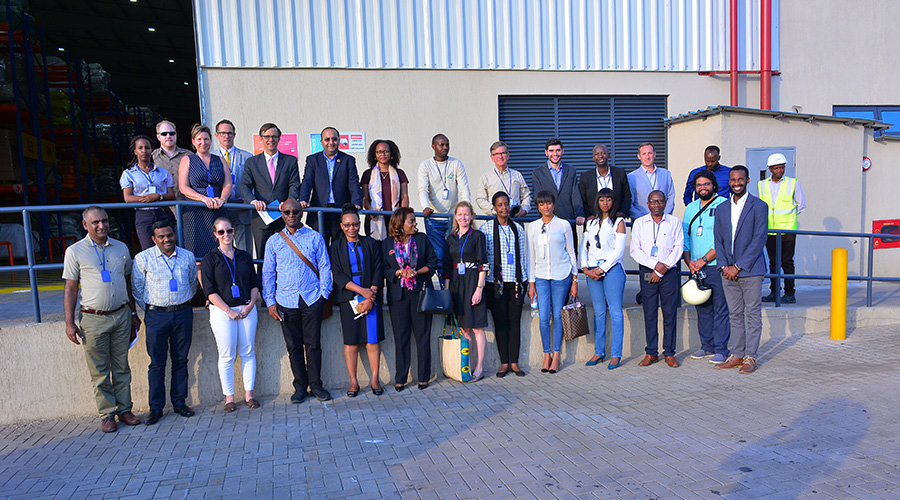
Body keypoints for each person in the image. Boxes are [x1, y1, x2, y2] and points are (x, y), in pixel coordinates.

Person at [63, 206, 142, 433]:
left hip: (121, 315)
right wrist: (69, 323)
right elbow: (70, 289)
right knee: (99, 371)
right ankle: (107, 414)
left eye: (105, 221)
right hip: (92, 319)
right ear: (85, 225)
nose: (102, 226)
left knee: (121, 367)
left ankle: (125, 410)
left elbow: (127, 282)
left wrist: (133, 313)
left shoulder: (121, 247)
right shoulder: (75, 251)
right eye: (96, 222)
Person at [263, 199, 333, 403]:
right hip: (285, 300)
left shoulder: (315, 237)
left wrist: (324, 294)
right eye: (287, 212)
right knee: (293, 347)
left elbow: (325, 266)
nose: (291, 215)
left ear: (301, 213)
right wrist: (270, 301)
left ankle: (317, 385)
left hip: (312, 299)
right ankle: (300, 387)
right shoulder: (274, 241)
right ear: (282, 214)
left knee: (313, 345)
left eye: (295, 211)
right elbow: (268, 273)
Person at [133, 220, 199, 424]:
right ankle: (155, 408)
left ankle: (179, 402)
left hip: (182, 313)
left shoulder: (187, 256)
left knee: (181, 360)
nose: (166, 239)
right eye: (161, 236)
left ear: (174, 235)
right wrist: (154, 310)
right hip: (156, 316)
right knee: (157, 364)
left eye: (169, 235)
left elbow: (192, 283)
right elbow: (138, 289)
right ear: (154, 239)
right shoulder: (143, 259)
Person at [201, 217, 261, 412]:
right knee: (226, 356)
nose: (226, 235)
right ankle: (229, 398)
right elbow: (209, 290)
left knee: (248, 352)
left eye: (229, 231)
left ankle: (249, 395)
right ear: (215, 235)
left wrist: (251, 305)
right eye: (221, 232)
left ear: (234, 231)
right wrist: (228, 311)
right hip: (222, 312)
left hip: (246, 309)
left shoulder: (243, 256)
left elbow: (254, 283)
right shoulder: (210, 258)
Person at [714, 165, 769, 374]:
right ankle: (737, 354)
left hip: (751, 270)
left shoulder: (759, 206)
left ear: (747, 180)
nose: (737, 183)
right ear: (729, 181)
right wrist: (724, 266)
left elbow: (758, 240)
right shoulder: (721, 208)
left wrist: (738, 267)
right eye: (733, 180)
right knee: (734, 314)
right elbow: (718, 240)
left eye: (740, 179)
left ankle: (750, 357)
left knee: (752, 314)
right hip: (727, 271)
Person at [330, 205, 385, 397]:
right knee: (352, 342)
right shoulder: (335, 247)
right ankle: (353, 382)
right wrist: (362, 291)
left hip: (372, 296)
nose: (352, 228)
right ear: (341, 226)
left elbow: (378, 269)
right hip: (349, 298)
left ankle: (375, 379)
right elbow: (337, 275)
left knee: (372, 340)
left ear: (359, 224)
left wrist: (372, 295)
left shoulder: (370, 243)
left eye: (355, 224)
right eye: (347, 225)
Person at [382, 207, 438, 391]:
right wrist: (399, 272)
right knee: (401, 337)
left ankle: (423, 376)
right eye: (411, 221)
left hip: (420, 292)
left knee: (423, 336)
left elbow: (433, 263)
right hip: (398, 296)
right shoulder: (386, 244)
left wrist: (417, 271)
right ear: (399, 224)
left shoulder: (422, 239)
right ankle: (401, 377)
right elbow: (384, 269)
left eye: (415, 220)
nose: (415, 224)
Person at [630, 190, 684, 368]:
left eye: (660, 201)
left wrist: (663, 267)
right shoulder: (639, 223)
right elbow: (635, 250)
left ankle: (669, 353)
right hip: (648, 273)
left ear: (665, 202)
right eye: (653, 202)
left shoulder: (674, 222)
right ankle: (651, 353)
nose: (657, 205)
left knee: (670, 313)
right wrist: (655, 266)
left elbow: (678, 247)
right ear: (648, 204)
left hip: (669, 273)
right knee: (650, 313)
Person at [682, 171, 731, 365]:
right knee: (702, 307)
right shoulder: (691, 208)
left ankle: (721, 349)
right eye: (699, 184)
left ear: (714, 185)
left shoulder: (723, 205)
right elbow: (686, 237)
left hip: (715, 266)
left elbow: (723, 239)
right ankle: (706, 346)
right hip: (695, 268)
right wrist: (689, 262)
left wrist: (703, 260)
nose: (703, 187)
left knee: (720, 308)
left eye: (706, 184)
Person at [527, 191, 578, 374]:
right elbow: (530, 256)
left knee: (557, 316)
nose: (545, 207)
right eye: (541, 204)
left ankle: (557, 355)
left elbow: (571, 252)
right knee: (543, 318)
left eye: (548, 203)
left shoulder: (563, 224)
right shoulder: (532, 227)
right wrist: (531, 283)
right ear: (538, 207)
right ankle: (546, 354)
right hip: (540, 276)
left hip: (561, 275)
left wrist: (574, 279)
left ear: (553, 204)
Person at [481, 192, 528, 378]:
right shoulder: (486, 229)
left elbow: (523, 256)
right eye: (500, 205)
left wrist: (526, 282)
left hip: (516, 282)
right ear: (494, 208)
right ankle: (504, 363)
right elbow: (483, 256)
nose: (504, 208)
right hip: (495, 283)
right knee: (500, 323)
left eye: (506, 204)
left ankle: (515, 362)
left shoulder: (518, 229)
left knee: (514, 322)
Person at [580, 188, 627, 370]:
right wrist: (585, 268)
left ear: (613, 202)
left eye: (609, 199)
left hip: (612, 269)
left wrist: (602, 268)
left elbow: (619, 251)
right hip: (592, 270)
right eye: (602, 200)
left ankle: (616, 354)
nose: (605, 203)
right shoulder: (591, 222)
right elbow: (584, 246)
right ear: (597, 202)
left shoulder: (619, 222)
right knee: (599, 311)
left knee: (615, 311)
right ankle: (599, 351)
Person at [240, 123, 301, 261]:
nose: (270, 139)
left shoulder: (290, 161)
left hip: (284, 217)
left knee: (286, 258)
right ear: (261, 139)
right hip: (261, 219)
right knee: (263, 258)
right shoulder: (252, 162)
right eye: (267, 136)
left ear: (279, 138)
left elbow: (294, 184)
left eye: (274, 136)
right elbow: (245, 186)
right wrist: (253, 201)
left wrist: (288, 203)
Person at [443, 201, 489, 382]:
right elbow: (446, 267)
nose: (463, 217)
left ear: (472, 216)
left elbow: (483, 264)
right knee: (464, 328)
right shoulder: (450, 239)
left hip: (473, 281)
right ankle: (466, 365)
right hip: (456, 283)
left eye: (466, 214)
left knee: (477, 327)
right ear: (455, 217)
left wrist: (479, 288)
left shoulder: (478, 236)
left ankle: (479, 368)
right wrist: (447, 292)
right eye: (460, 214)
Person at [299, 126, 364, 245]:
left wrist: (357, 202)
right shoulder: (313, 160)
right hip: (319, 211)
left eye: (334, 139)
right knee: (320, 247)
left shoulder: (348, 160)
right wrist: (303, 199)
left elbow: (353, 183)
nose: (331, 142)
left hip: (340, 211)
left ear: (339, 140)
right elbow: (307, 181)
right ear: (322, 142)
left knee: (339, 248)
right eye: (327, 139)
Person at [178, 123, 232, 257]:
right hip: (195, 211)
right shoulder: (187, 159)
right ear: (193, 142)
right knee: (196, 253)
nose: (203, 142)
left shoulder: (220, 160)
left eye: (206, 139)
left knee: (220, 251)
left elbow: (228, 184)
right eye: (199, 139)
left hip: (217, 210)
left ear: (211, 141)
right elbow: (183, 187)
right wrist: (203, 198)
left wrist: (222, 199)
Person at [417, 133, 471, 268]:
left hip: (453, 218)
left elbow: (464, 188)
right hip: (434, 217)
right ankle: (443, 286)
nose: (445, 147)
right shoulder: (425, 165)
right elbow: (423, 189)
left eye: (447, 145)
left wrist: (466, 209)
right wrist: (425, 207)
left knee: (455, 254)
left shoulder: (456, 163)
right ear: (433, 147)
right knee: (439, 255)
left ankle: (454, 285)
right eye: (442, 145)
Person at [759, 153, 806, 304]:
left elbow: (801, 205)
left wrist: (788, 219)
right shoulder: (762, 185)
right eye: (776, 167)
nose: (780, 170)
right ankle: (774, 292)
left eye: (782, 167)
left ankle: (790, 293)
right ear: (770, 169)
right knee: (773, 262)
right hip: (770, 230)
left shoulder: (793, 183)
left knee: (786, 262)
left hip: (787, 231)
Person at [120, 134, 176, 250]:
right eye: (140, 148)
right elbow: (128, 198)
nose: (144, 150)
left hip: (163, 213)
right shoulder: (128, 173)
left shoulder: (163, 172)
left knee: (169, 247)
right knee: (148, 249)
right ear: (135, 151)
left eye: (147, 147)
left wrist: (158, 197)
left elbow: (171, 195)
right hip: (143, 215)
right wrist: (148, 198)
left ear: (152, 150)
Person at [531, 138, 585, 244]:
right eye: (551, 151)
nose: (555, 154)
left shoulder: (571, 171)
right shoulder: (538, 173)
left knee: (571, 253)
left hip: (568, 220)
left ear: (562, 151)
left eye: (558, 150)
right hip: (548, 221)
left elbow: (575, 194)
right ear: (546, 152)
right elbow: (538, 197)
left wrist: (580, 213)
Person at [212, 119, 253, 252]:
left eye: (230, 133)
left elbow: (254, 182)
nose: (226, 136)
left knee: (244, 250)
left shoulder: (247, 157)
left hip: (241, 208)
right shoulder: (211, 157)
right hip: (220, 209)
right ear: (216, 135)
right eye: (223, 133)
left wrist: (250, 198)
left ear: (234, 135)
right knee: (221, 251)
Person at [361, 139, 409, 240]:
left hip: (395, 218)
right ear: (374, 155)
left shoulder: (399, 173)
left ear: (391, 153)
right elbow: (365, 198)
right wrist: (371, 211)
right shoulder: (368, 174)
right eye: (379, 152)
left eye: (386, 151)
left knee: (394, 247)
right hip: (374, 218)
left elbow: (404, 196)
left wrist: (402, 213)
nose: (382, 154)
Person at [476, 141, 531, 217]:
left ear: (508, 155)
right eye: (496, 154)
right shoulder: (485, 177)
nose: (500, 156)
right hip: (494, 220)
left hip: (515, 219)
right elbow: (481, 199)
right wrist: (497, 211)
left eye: (503, 153)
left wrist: (524, 210)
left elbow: (526, 196)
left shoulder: (517, 175)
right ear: (492, 158)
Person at [578, 144, 631, 220]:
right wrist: (588, 215)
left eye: (603, 153)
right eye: (597, 154)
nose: (600, 156)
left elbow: (627, 196)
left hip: (616, 220)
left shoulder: (620, 173)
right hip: (594, 221)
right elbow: (582, 200)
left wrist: (623, 212)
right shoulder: (585, 177)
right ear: (593, 158)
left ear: (609, 155)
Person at [627, 142, 676, 219]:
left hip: (664, 221)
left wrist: (664, 217)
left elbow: (671, 197)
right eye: (644, 154)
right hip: (641, 222)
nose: (647, 157)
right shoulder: (632, 177)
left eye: (650, 153)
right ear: (639, 156)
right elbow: (629, 203)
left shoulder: (666, 174)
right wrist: (643, 220)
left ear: (655, 154)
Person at [152, 120, 190, 200]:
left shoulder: (188, 155)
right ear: (158, 136)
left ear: (176, 135)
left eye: (172, 133)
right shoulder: (152, 157)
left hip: (188, 206)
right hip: (163, 207)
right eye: (164, 134)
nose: (168, 136)